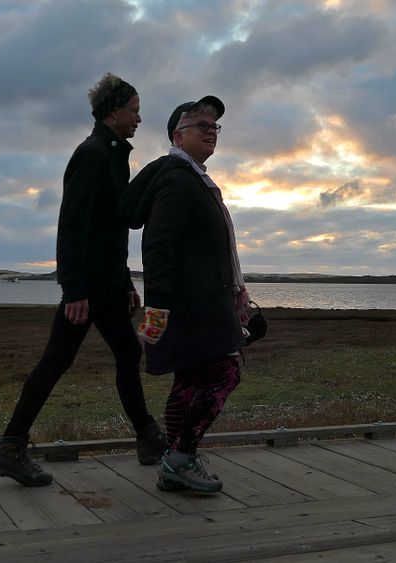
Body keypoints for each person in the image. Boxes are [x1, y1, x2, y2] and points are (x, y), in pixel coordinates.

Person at [0, 73, 165, 487]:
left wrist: (124, 283)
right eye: (134, 110)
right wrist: (74, 289)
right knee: (57, 361)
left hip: (105, 285)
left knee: (123, 353)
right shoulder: (92, 154)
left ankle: (147, 437)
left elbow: (110, 230)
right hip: (88, 288)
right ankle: (10, 445)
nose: (139, 118)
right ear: (114, 112)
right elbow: (72, 226)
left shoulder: (112, 154)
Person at [119, 95, 248, 493]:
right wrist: (158, 309)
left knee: (189, 380)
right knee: (227, 372)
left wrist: (237, 289)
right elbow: (157, 244)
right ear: (178, 134)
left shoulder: (194, 178)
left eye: (214, 127)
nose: (211, 132)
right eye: (201, 125)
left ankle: (175, 460)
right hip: (189, 307)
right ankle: (180, 456)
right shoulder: (178, 178)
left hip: (203, 301)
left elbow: (212, 247)